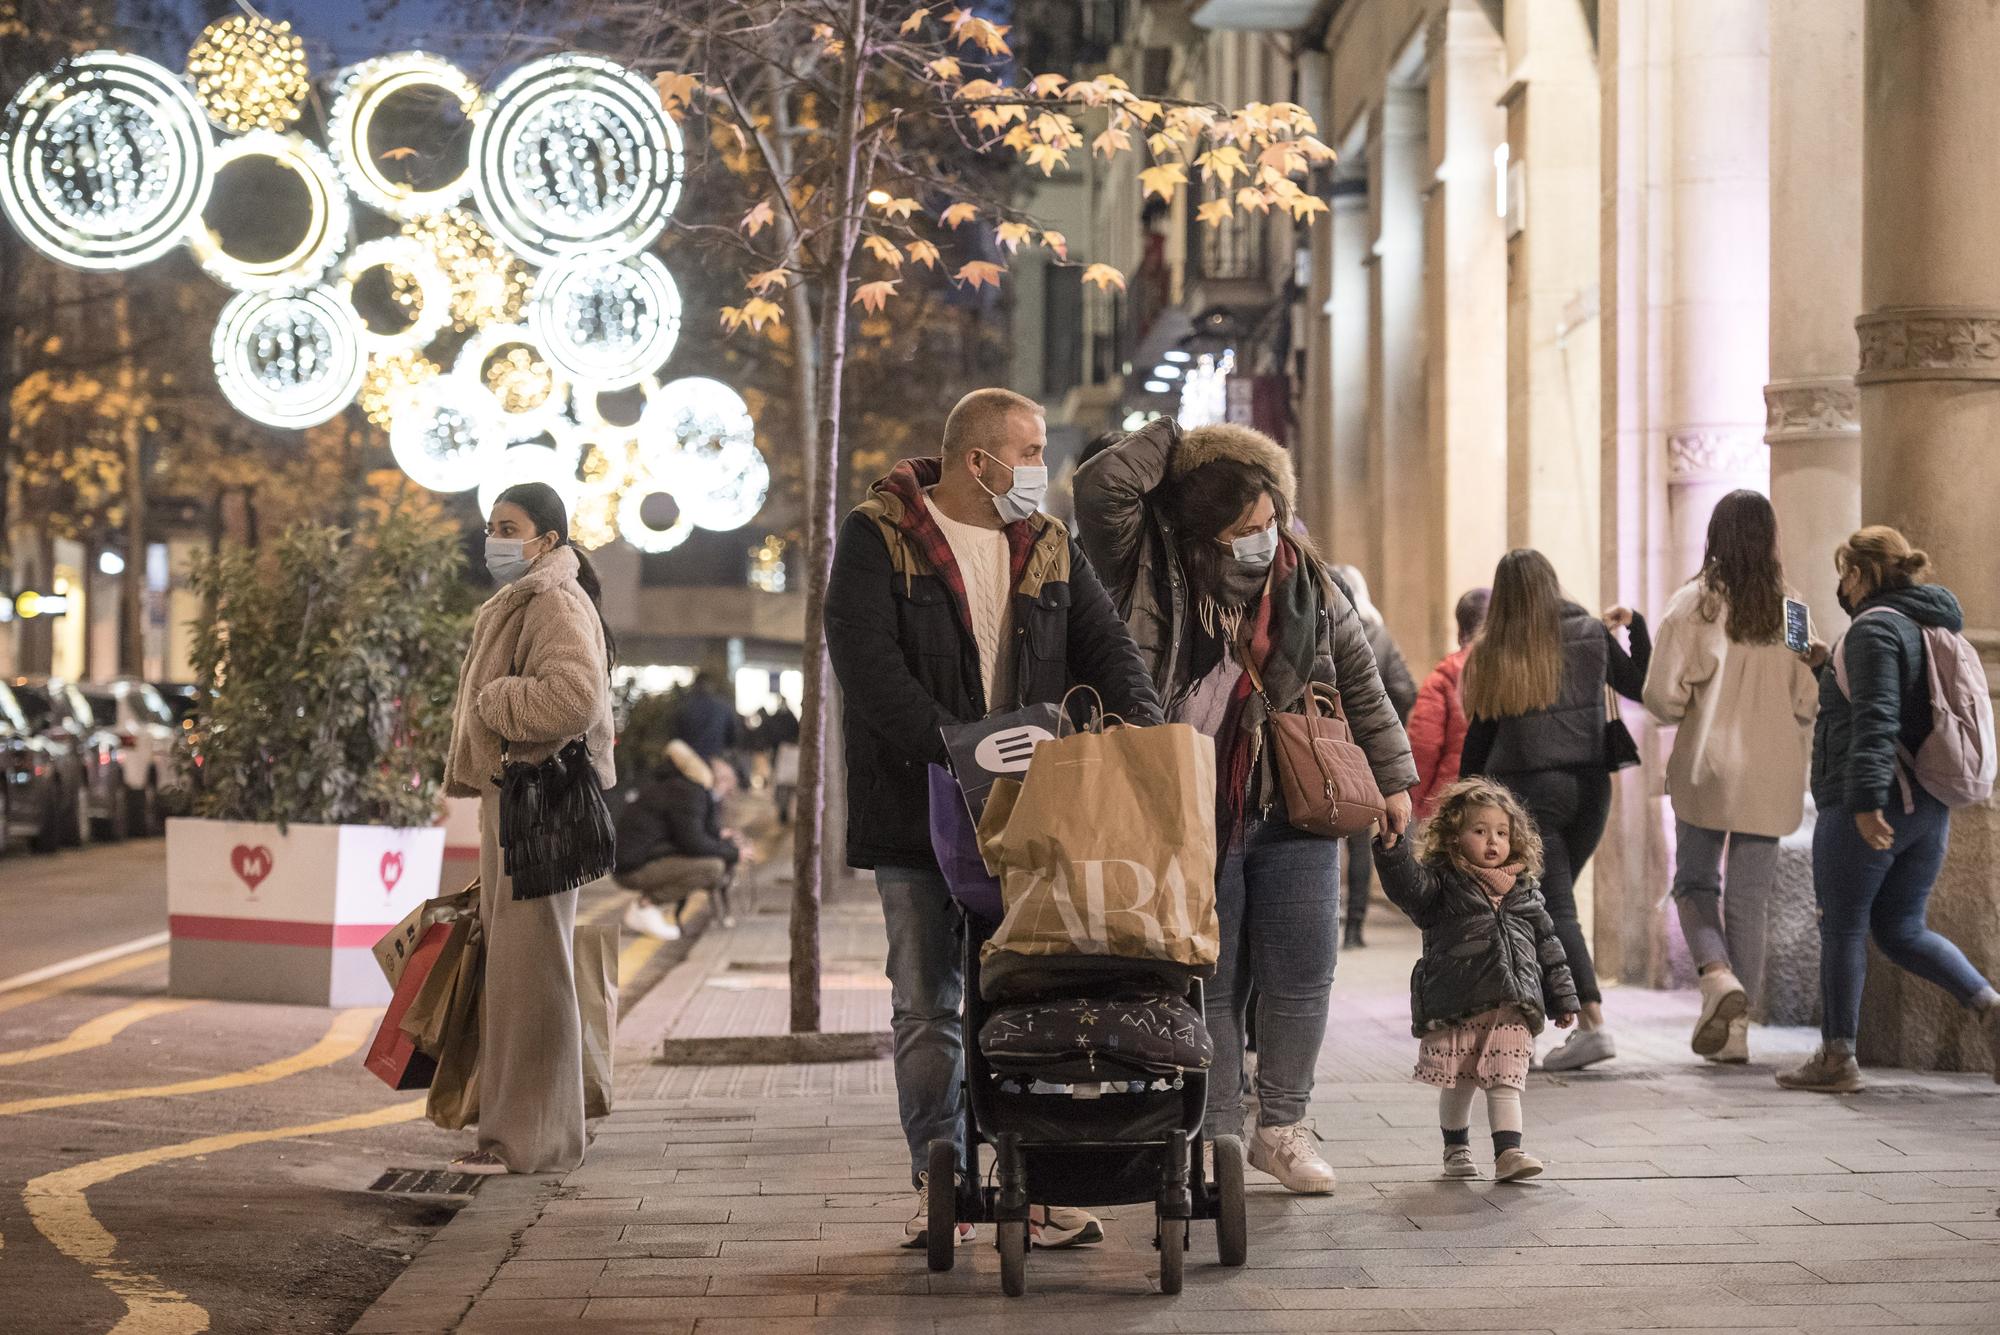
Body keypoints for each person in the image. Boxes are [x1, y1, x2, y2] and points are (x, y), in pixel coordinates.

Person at [825, 387, 1163, 1249]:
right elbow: (866, 665)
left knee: (1028, 991)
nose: (1039, 467)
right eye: (1029, 449)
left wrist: (1149, 736)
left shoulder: (1047, 544)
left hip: (1032, 813)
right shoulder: (880, 535)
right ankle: (938, 1179)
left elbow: (1106, 647)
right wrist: (955, 748)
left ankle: (1032, 1181)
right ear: (978, 460)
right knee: (928, 1002)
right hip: (916, 809)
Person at [1075, 417, 1416, 1196]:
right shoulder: (1146, 563)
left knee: (1306, 969)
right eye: (1247, 529)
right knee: (1214, 978)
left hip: (1292, 799)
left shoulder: (1302, 576)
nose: (1267, 538)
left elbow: (1359, 676)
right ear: (1202, 532)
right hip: (1184, 811)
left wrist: (1394, 781)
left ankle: (1284, 1127)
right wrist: (1184, 441)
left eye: (1272, 519)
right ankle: (1222, 1132)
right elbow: (1099, 485)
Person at [1777, 527, 2000, 1093]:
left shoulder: (1875, 628)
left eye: (1844, 571)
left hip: (1879, 802)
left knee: (1843, 925)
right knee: (1900, 927)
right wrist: (1828, 664)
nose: (1840, 584)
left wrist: (1866, 804)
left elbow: (1877, 721)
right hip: (1928, 806)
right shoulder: (1924, 621)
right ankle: (1989, 1004)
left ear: (1862, 573)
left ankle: (1836, 1058)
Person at [443, 482, 616, 1175]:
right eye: (492, 525)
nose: (496, 539)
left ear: (546, 540)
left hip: (538, 800)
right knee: (523, 970)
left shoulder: (552, 600)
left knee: (531, 976)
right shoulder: (531, 598)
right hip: (520, 800)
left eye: (509, 526)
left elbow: (576, 695)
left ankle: (524, 1141)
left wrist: (496, 698)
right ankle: (527, 1132)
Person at [1643, 492, 1820, 1065]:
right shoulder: (1792, 610)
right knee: (1750, 899)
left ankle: (1718, 977)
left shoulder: (1693, 606)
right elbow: (1807, 697)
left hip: (1707, 770)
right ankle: (1736, 1032)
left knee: (1694, 884)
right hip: (1773, 775)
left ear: (1715, 537)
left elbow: (1663, 701)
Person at [1459, 548, 1650, 1072]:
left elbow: (1480, 736)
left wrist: (1461, 803)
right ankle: (1545, 1012)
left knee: (1553, 909)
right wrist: (1637, 627)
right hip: (1591, 791)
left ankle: (1591, 1024)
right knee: (1544, 906)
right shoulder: (1591, 632)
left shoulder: (1494, 649)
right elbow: (1640, 686)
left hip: (1530, 798)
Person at [1374, 778, 1579, 1182]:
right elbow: (1407, 889)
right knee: (1460, 1082)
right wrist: (1392, 850)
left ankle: (1509, 1153)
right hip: (1459, 1002)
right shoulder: (1441, 885)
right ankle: (1456, 1149)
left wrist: (1564, 999)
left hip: (1513, 1005)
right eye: (1480, 831)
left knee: (1507, 1079)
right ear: (1453, 837)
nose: (1492, 842)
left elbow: (1549, 948)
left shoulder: (1526, 893)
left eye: (1502, 833)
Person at [1331, 565, 1417, 950]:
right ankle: (1354, 929)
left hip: (1325, 742)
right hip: (1362, 752)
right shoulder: (1379, 636)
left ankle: (1329, 917)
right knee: (1358, 835)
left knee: (1324, 832)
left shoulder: (1324, 627)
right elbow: (1404, 689)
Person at [614, 739, 747, 941]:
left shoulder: (673, 787)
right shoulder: (688, 791)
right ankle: (645, 907)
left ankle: (647, 909)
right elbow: (693, 842)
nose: (728, 789)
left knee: (711, 860)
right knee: (712, 868)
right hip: (632, 869)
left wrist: (718, 836)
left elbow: (687, 832)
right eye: (726, 782)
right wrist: (735, 853)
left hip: (630, 862)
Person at [1408, 588, 1491, 823]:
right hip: (1503, 800)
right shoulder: (1516, 671)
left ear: (1461, 629)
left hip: (1452, 802)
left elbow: (1424, 745)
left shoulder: (1444, 676)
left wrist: (1421, 803)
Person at [675, 672, 738, 764]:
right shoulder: (723, 707)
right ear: (712, 685)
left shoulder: (684, 707)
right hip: (717, 761)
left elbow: (677, 737)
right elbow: (732, 737)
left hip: (690, 763)